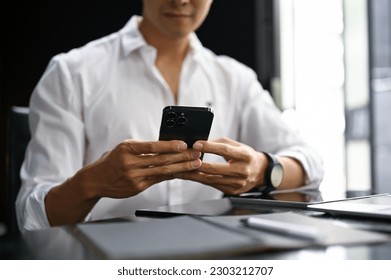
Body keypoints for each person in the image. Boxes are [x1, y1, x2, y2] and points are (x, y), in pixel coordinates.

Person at [16, 0, 324, 231]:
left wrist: (263, 169)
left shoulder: (235, 78)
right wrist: (93, 183)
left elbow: (309, 162)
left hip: (216, 254)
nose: (180, 0)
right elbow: (33, 217)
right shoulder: (71, 74)